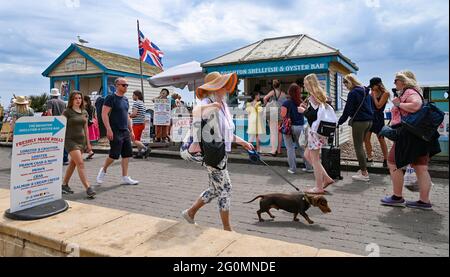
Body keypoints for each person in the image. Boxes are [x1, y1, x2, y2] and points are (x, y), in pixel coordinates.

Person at [181, 72, 254, 232]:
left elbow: (226, 132)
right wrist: (211, 106)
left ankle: (190, 213)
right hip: (213, 154)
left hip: (220, 153)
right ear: (214, 88)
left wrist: (243, 142)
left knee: (215, 189)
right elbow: (195, 113)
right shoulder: (208, 103)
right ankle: (227, 228)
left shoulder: (223, 105)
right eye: (223, 86)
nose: (226, 89)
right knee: (226, 189)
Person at [381, 72, 436, 210]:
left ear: (403, 81)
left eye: (396, 80)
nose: (394, 83)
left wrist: (399, 104)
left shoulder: (409, 92)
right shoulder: (416, 91)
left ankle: (397, 197)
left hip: (408, 135)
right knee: (421, 168)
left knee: (393, 162)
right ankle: (424, 201)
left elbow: (416, 105)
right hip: (419, 135)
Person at [96, 78, 139, 186]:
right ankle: (104, 169)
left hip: (125, 131)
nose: (126, 87)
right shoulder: (111, 98)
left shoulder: (125, 99)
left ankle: (125, 177)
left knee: (127, 154)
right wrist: (108, 129)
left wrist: (131, 130)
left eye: (127, 85)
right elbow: (104, 114)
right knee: (114, 155)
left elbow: (127, 116)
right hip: (115, 130)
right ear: (117, 86)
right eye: (123, 85)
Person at [298, 74, 335, 194]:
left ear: (309, 83)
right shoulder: (321, 94)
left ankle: (319, 187)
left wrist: (303, 111)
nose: (304, 85)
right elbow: (317, 113)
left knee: (314, 159)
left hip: (315, 132)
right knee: (308, 155)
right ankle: (327, 178)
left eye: (304, 83)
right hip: (321, 131)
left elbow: (312, 116)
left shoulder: (312, 96)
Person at [338, 74, 374, 182]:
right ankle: (363, 169)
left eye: (345, 85)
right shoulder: (365, 91)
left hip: (359, 122)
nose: (346, 87)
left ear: (349, 82)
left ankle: (364, 173)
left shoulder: (353, 93)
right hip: (369, 121)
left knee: (358, 146)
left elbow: (347, 110)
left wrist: (339, 122)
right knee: (361, 145)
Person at [61, 91, 96, 198]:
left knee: (73, 163)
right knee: (80, 163)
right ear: (71, 100)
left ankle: (64, 185)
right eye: (75, 98)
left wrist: (88, 144)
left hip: (81, 141)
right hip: (70, 141)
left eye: (80, 98)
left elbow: (86, 129)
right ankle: (88, 188)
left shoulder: (84, 112)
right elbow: (59, 125)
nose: (78, 100)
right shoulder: (67, 112)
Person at [281, 83, 308, 174]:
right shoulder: (301, 102)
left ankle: (292, 169)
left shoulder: (286, 103)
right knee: (302, 148)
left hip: (289, 128)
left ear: (289, 92)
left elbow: (283, 115)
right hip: (300, 127)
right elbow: (306, 112)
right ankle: (309, 167)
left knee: (290, 148)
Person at [364, 78, 389, 167]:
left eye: (372, 86)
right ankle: (369, 156)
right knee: (366, 138)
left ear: (378, 85)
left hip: (378, 118)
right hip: (370, 117)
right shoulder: (371, 93)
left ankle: (386, 159)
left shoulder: (385, 93)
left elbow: (378, 106)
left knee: (381, 139)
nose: (371, 88)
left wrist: (373, 96)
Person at [263, 79, 287, 156]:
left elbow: (265, 98)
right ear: (280, 85)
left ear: (273, 86)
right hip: (280, 113)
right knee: (279, 132)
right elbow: (285, 103)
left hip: (272, 112)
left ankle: (273, 150)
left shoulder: (272, 92)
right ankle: (279, 150)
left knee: (273, 132)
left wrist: (267, 104)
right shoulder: (283, 94)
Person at [47, 88, 69, 165]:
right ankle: (65, 158)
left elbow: (49, 113)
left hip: (54, 123)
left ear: (51, 95)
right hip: (62, 122)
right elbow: (65, 113)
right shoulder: (63, 102)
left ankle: (55, 158)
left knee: (54, 141)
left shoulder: (50, 102)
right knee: (63, 141)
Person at [130, 90, 151, 159]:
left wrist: (128, 115)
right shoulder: (142, 103)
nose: (132, 97)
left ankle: (146, 148)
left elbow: (134, 114)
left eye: (133, 95)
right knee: (138, 139)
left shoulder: (136, 103)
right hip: (142, 123)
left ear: (137, 96)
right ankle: (139, 154)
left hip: (137, 124)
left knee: (134, 140)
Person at [83, 95, 99, 159]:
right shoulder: (93, 107)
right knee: (89, 139)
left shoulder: (83, 107)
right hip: (93, 123)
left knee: (86, 138)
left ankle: (90, 151)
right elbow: (95, 116)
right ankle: (90, 151)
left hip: (86, 124)